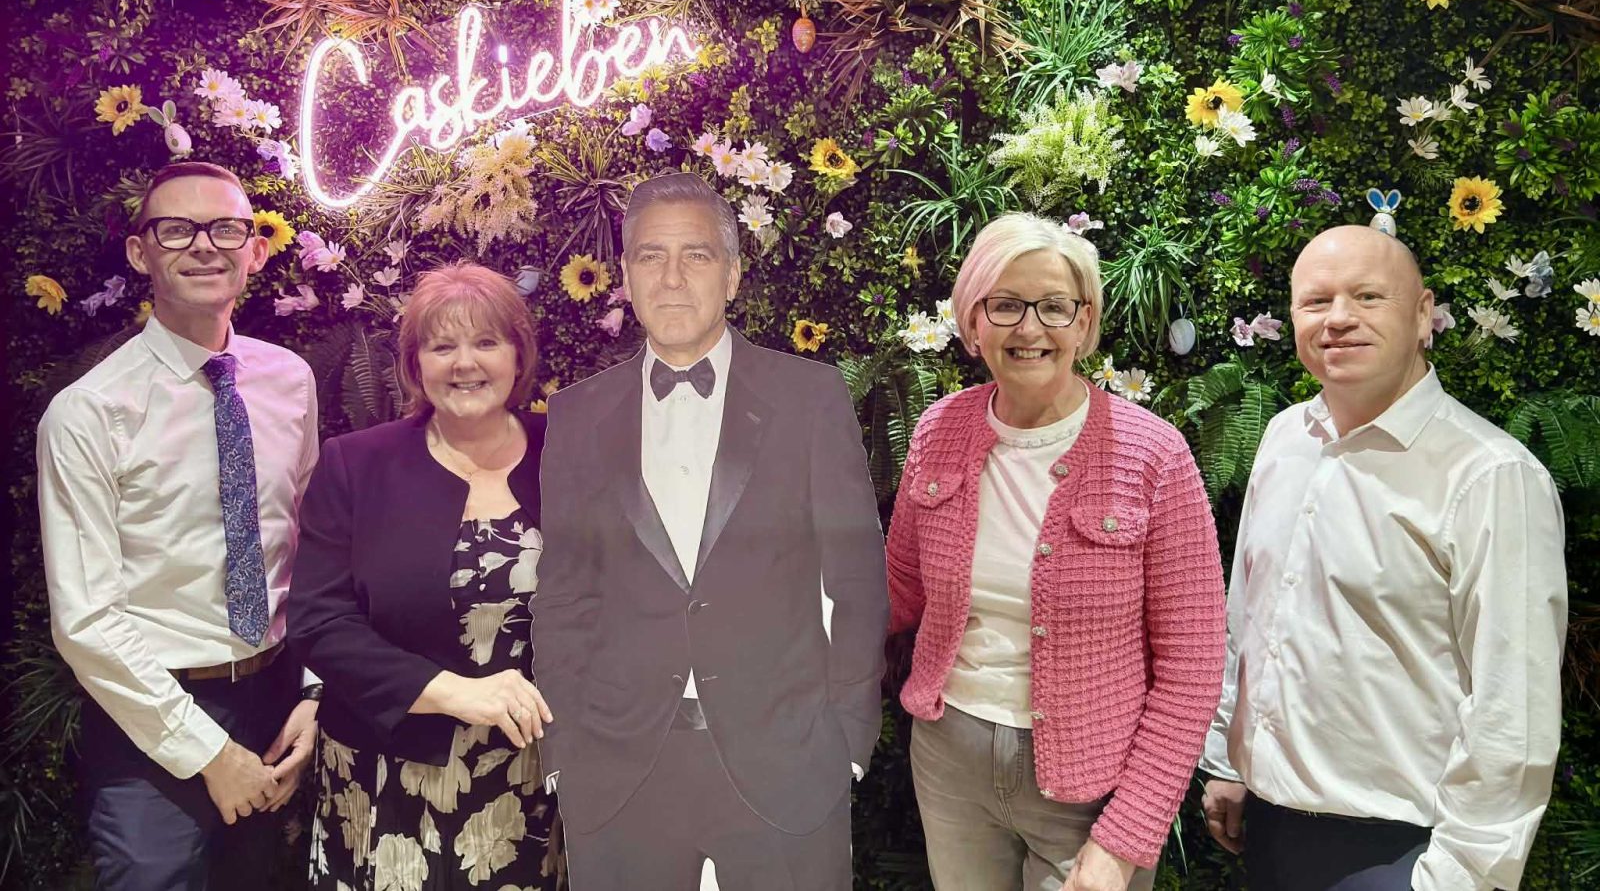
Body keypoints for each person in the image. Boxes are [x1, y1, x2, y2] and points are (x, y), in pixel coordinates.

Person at [531, 171, 888, 891]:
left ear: (731, 275)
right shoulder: (574, 416)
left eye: (694, 255)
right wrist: (563, 749)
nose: (670, 278)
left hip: (786, 763)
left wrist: (847, 739)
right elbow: (565, 596)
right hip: (622, 770)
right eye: (649, 256)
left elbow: (856, 581)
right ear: (625, 277)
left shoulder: (811, 398)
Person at [1200, 225, 1568, 891]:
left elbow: (1513, 705)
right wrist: (1229, 760)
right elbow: (1248, 613)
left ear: (1423, 314)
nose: (1339, 319)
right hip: (1271, 829)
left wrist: (1460, 874)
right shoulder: (1286, 438)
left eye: (1368, 296)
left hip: (1405, 851)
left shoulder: (1490, 476)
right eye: (1316, 302)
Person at [886, 212, 1227, 891]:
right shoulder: (939, 431)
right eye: (1006, 305)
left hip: (1091, 786)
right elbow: (894, 593)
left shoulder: (1153, 454)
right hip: (950, 761)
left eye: (1053, 306)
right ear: (973, 320)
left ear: (1084, 321)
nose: (1030, 328)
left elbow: (1192, 668)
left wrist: (1126, 838)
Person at [38, 161, 321, 890]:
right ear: (141, 253)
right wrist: (208, 752)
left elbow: (313, 547)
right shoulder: (89, 412)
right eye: (176, 229)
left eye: (226, 227)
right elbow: (87, 619)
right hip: (152, 716)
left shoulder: (290, 381)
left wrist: (315, 694)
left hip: (275, 700)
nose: (204, 246)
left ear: (255, 249)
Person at [287, 264, 561, 890]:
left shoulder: (568, 451)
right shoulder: (356, 464)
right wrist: (452, 691)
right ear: (415, 365)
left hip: (532, 775)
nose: (466, 363)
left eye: (487, 342)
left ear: (519, 355)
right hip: (385, 775)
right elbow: (319, 621)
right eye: (443, 346)